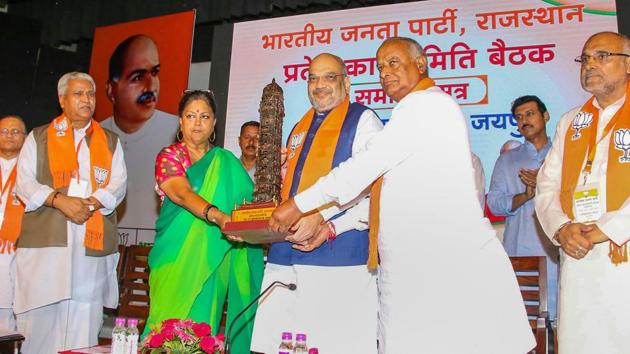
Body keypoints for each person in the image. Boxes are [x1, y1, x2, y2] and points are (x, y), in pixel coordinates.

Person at [269, 37, 534, 353]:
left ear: (420, 63)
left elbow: (364, 167)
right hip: (415, 268)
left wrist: (299, 205)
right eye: (380, 67)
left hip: (440, 265)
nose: (385, 73)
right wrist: (330, 224)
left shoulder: (427, 104)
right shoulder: (410, 112)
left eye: (393, 62)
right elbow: (378, 192)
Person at [250, 53, 383, 354]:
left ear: (347, 82)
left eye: (329, 77)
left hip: (338, 256)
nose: (319, 84)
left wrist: (328, 223)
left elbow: (373, 185)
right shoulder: (300, 125)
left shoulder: (363, 120)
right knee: (277, 343)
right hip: (285, 255)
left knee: (333, 343)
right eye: (313, 78)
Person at [14, 72, 127, 354]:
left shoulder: (109, 140)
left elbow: (119, 183)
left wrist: (90, 204)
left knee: (83, 322)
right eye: (78, 94)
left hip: (91, 244)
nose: (86, 100)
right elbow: (24, 182)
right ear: (62, 100)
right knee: (39, 323)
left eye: (90, 94)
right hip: (47, 244)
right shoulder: (38, 137)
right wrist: (58, 200)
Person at [143, 90, 263, 353]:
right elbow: (182, 194)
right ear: (181, 121)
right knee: (165, 327)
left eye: (204, 116)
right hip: (175, 258)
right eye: (190, 116)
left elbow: (250, 205)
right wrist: (219, 216)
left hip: (214, 257)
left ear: (214, 123)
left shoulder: (226, 162)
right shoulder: (169, 156)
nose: (197, 122)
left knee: (201, 330)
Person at [535, 31, 630, 353]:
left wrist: (607, 229)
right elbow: (546, 185)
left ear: (628, 64)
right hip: (578, 256)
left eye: (603, 56)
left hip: (623, 251)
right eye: (585, 58)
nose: (590, 64)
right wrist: (562, 228)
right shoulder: (571, 121)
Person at [487, 95, 559, 319]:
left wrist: (545, 186)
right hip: (521, 256)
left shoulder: (561, 155)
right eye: (519, 117)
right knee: (522, 323)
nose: (524, 121)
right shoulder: (507, 161)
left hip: (559, 254)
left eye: (530, 114)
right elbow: (495, 204)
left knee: (561, 325)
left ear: (545, 116)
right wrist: (526, 195)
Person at [101, 34, 179, 233]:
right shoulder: (95, 136)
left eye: (155, 73)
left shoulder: (177, 132)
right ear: (111, 90)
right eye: (137, 77)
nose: (150, 86)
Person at [0, 115, 26, 332]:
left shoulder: (31, 170)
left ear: (25, 138)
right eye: (4, 131)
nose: (9, 135)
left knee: (9, 307)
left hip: (17, 245)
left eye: (15, 131)